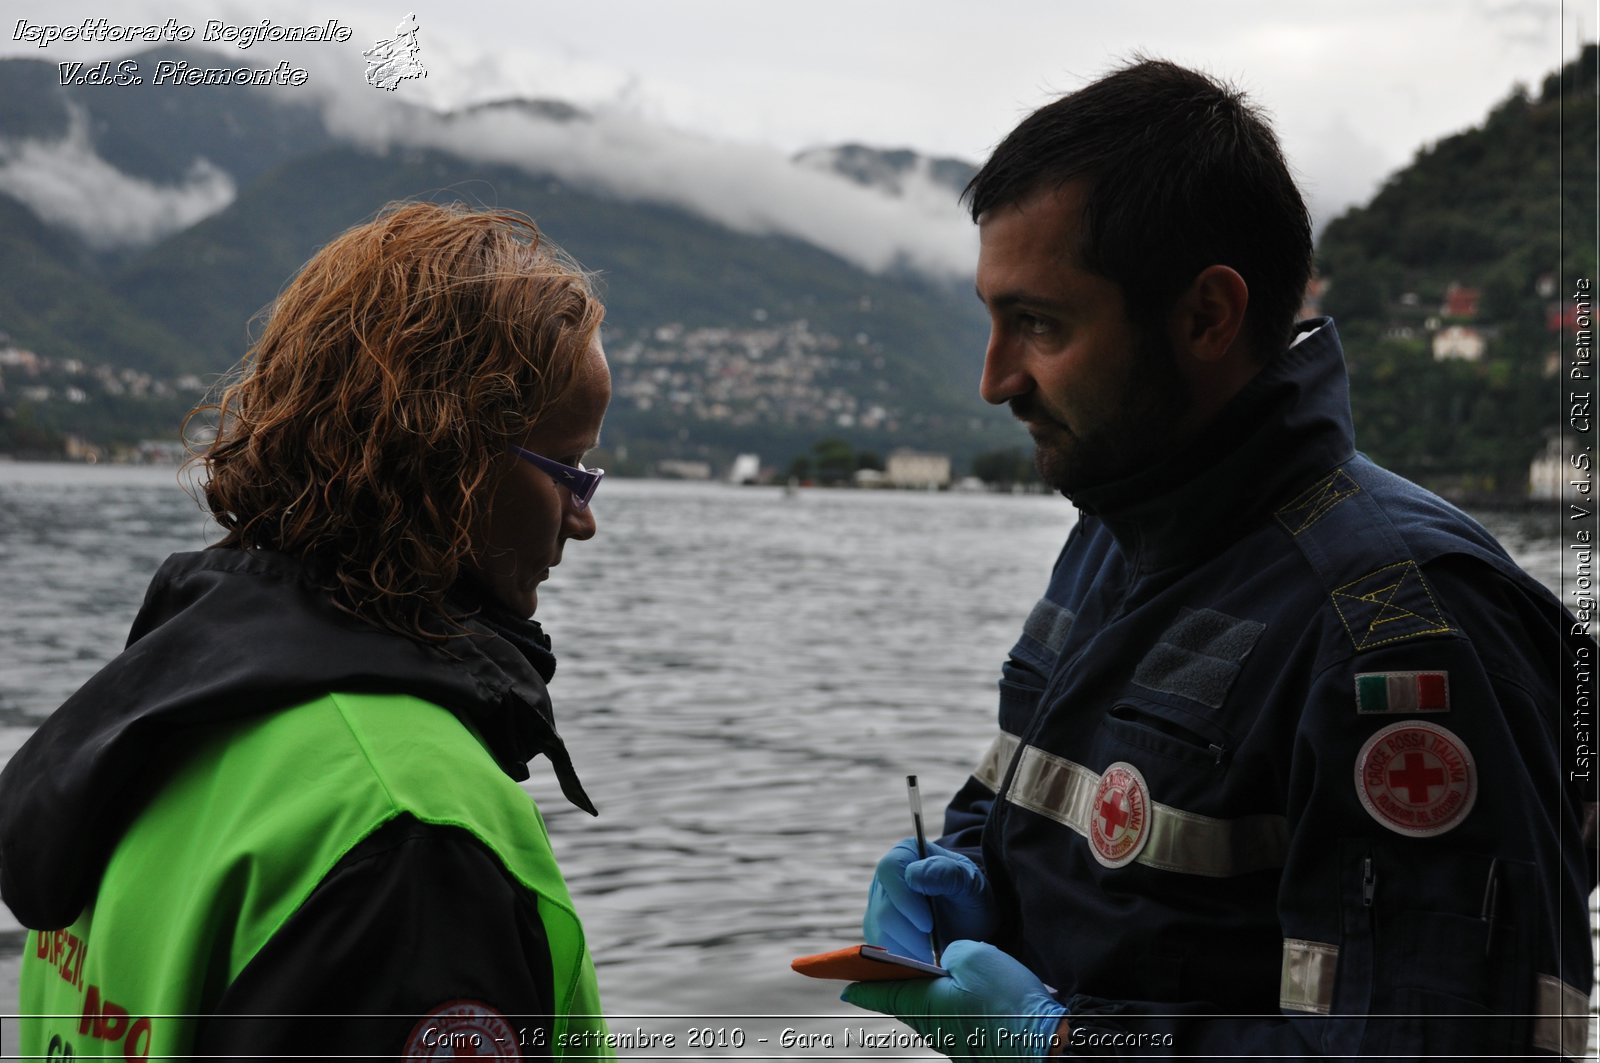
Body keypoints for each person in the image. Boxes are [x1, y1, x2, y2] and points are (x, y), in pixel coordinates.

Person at [844, 59, 1596, 1058]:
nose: (994, 380)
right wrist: (975, 857)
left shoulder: (1404, 634)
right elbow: (1072, 803)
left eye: (1039, 324)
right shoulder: (1114, 537)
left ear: (1205, 315)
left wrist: (1061, 1047)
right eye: (992, 318)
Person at [0, 202, 617, 1059]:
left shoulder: (147, 715)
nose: (582, 520)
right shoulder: (418, 834)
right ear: (448, 461)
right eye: (569, 470)